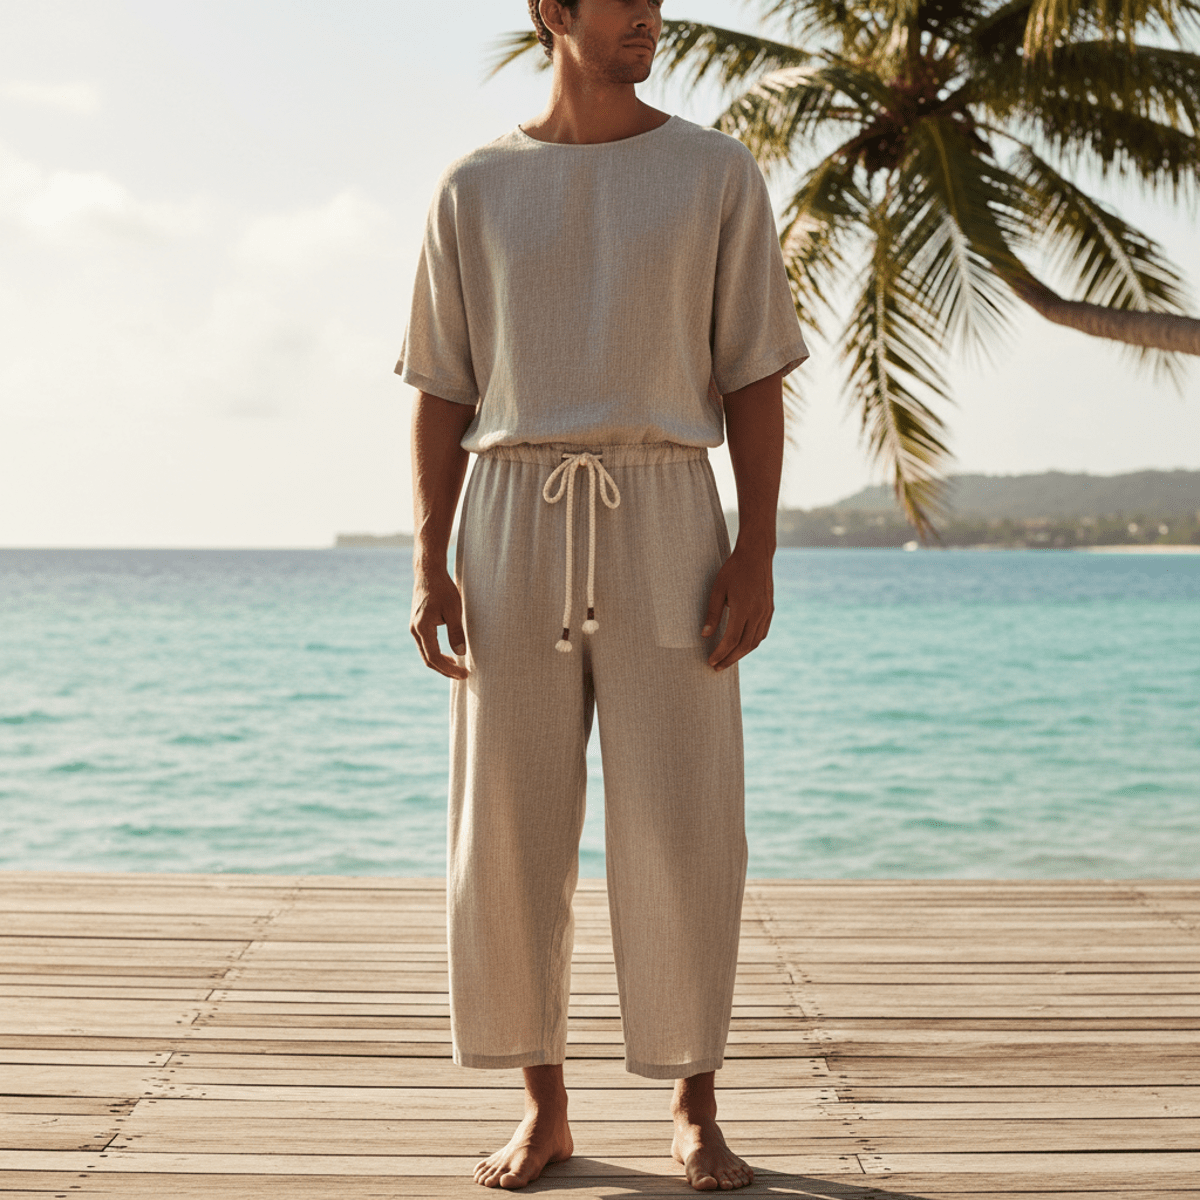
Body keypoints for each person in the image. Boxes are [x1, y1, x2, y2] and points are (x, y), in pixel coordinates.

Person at [399, 0, 807, 1189]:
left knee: (683, 821)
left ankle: (693, 1100)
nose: (650, 18)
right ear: (552, 13)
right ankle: (546, 1106)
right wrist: (431, 555)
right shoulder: (474, 187)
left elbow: (756, 375)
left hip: (670, 511)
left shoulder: (714, 173)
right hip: (512, 515)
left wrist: (758, 547)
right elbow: (439, 385)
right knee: (512, 826)